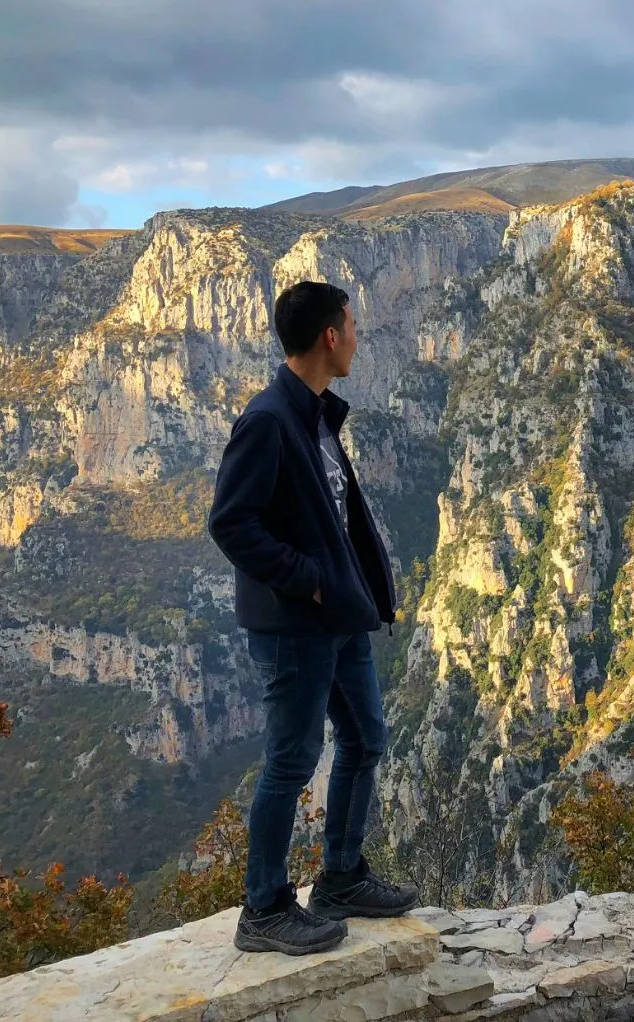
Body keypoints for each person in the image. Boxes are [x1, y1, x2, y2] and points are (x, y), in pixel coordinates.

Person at [209, 280, 419, 955]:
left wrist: (346, 590)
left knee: (365, 737)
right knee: (292, 759)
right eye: (352, 325)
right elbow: (231, 524)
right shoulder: (268, 420)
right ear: (330, 336)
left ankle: (339, 877)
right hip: (296, 628)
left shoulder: (316, 414)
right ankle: (264, 907)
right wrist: (313, 584)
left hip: (339, 619)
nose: (358, 336)